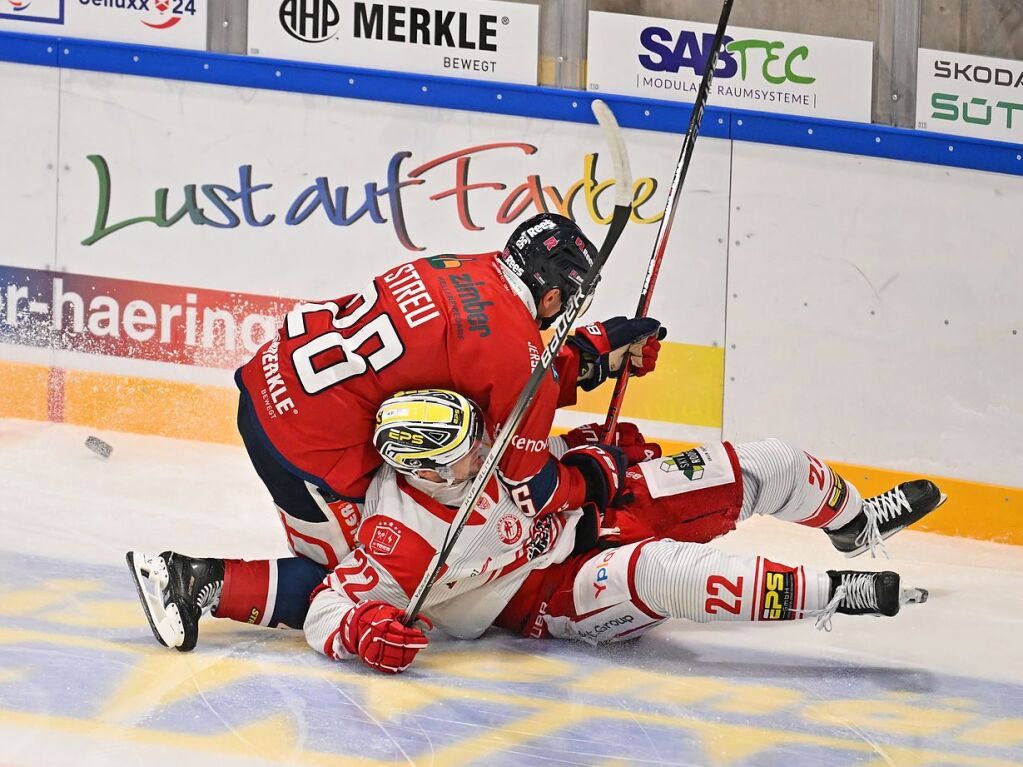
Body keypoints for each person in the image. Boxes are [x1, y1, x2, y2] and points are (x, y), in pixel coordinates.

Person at [126, 212, 664, 651]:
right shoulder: (518, 352)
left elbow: (487, 359)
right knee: (369, 581)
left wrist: (592, 356)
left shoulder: (461, 266)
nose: (563, 316)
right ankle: (192, 581)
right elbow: (528, 483)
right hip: (309, 447)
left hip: (270, 390)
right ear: (552, 298)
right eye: (567, 308)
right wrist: (595, 477)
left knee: (373, 563)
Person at [128, 389, 944, 670]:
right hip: (543, 591)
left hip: (589, 505)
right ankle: (843, 593)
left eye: (479, 435)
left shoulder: (486, 445)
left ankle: (852, 524)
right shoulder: (402, 534)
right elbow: (332, 609)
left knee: (761, 461)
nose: (484, 452)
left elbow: (539, 448)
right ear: (425, 472)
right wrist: (366, 636)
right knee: (661, 572)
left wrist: (592, 449)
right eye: (465, 454)